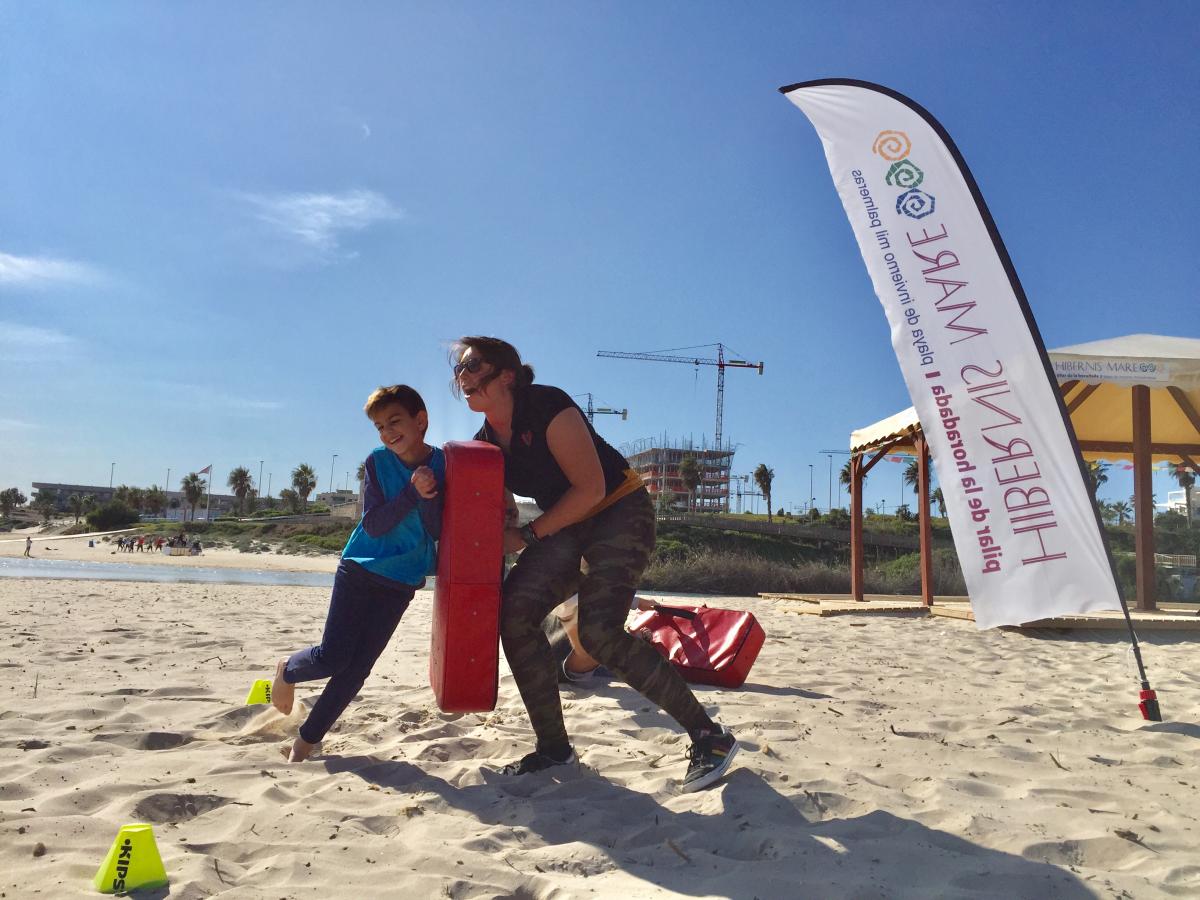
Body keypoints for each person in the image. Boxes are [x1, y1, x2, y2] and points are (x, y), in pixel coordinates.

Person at [453, 336, 738, 792]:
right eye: (458, 370)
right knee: (513, 615)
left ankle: (710, 736)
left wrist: (526, 535)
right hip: (567, 526)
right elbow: (494, 505)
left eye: (472, 365)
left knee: (599, 633)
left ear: (505, 373)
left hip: (618, 511)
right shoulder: (487, 442)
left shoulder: (548, 405)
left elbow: (591, 490)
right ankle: (554, 748)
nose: (462, 377)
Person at [270, 385, 444, 762]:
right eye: (379, 426)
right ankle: (287, 669)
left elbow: (438, 528)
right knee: (334, 657)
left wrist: (428, 494)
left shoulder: (445, 464)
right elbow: (376, 525)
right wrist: (413, 493)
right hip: (361, 569)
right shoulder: (377, 462)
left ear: (421, 420)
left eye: (394, 422)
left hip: (402, 581)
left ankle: (305, 743)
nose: (387, 432)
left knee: (357, 670)